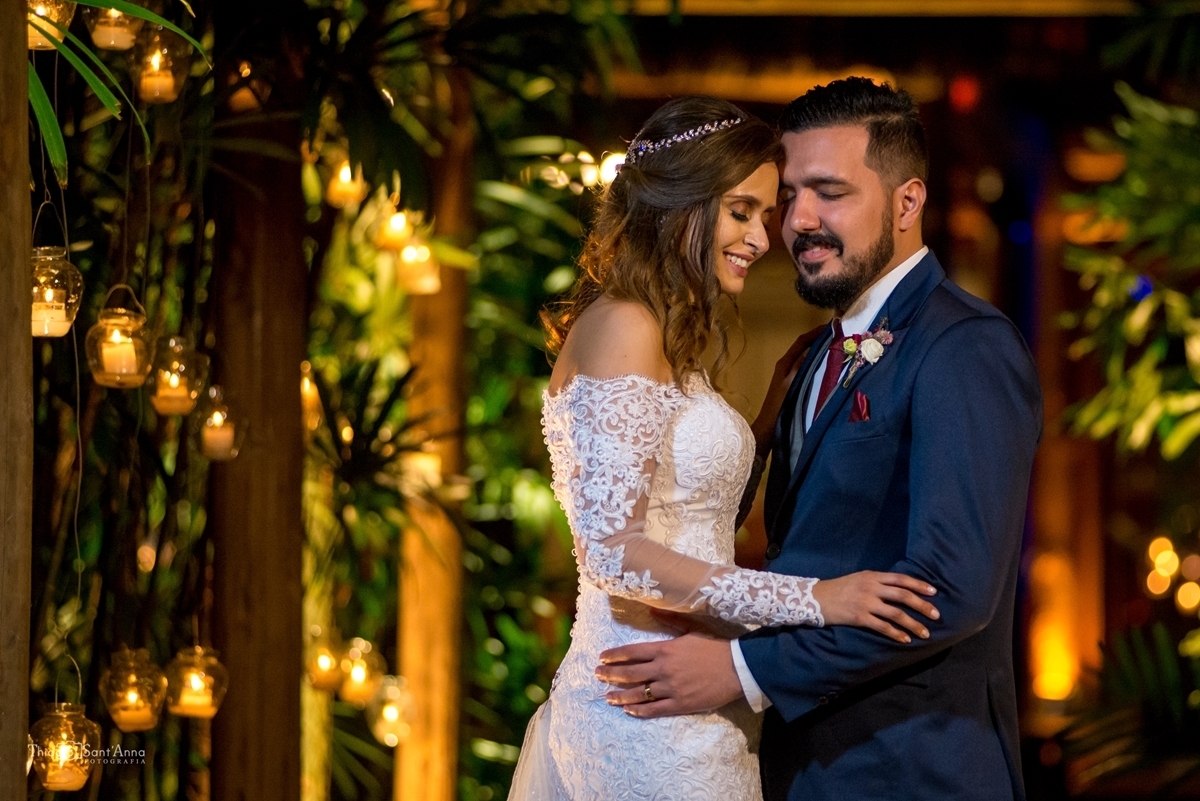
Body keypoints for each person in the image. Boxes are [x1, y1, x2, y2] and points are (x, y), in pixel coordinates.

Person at [596, 79, 1043, 801]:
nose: (798, 221)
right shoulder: (810, 358)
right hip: (797, 770)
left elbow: (950, 592)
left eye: (829, 192)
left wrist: (745, 670)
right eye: (790, 195)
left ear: (907, 202)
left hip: (913, 771)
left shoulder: (965, 347)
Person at [509, 95, 942, 800]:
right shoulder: (623, 323)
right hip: (644, 715)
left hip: (696, 708)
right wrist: (818, 598)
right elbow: (615, 553)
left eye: (764, 215)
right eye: (741, 211)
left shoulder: (670, 340)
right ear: (681, 203)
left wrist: (770, 417)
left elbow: (690, 525)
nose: (764, 237)